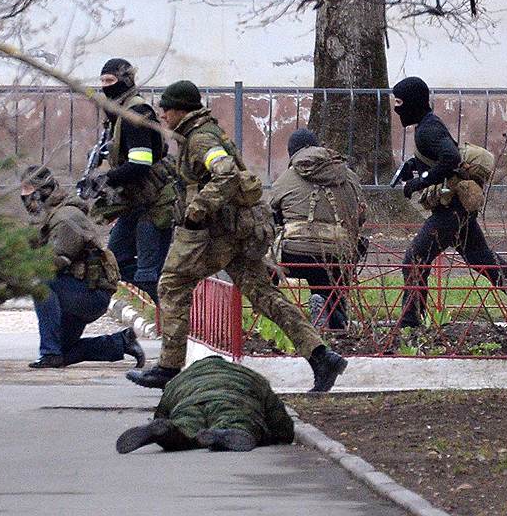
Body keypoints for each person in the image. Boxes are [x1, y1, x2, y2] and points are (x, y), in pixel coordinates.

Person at [125, 81, 347, 392]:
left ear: (181, 110)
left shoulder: (201, 138)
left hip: (219, 233)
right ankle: (321, 356)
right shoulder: (202, 132)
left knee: (172, 284)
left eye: (166, 108)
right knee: (265, 296)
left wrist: (198, 208)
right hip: (239, 230)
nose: (162, 113)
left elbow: (226, 173)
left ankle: (168, 367)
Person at [391, 77, 507, 335]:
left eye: (399, 102)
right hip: (458, 209)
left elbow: (451, 157)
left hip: (451, 211)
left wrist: (418, 183)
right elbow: (441, 157)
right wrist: (415, 166)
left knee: (414, 259)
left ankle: (410, 325)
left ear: (411, 102)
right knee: (484, 261)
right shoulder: (427, 125)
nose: (396, 108)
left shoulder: (427, 130)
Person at [20, 165, 145, 369]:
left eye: (29, 194)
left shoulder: (66, 217)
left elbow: (57, 260)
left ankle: (49, 353)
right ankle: (122, 342)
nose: (26, 201)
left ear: (43, 192)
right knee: (65, 351)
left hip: (90, 293)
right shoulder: (50, 216)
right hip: (78, 288)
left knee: (40, 284)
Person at [94, 58, 175, 305]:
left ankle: (183, 320)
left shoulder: (135, 113)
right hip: (136, 202)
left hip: (155, 204)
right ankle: (174, 302)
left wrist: (106, 179)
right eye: (103, 81)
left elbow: (140, 163)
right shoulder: (119, 114)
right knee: (116, 260)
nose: (106, 87)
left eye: (111, 81)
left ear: (126, 81)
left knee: (150, 276)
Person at [269, 128, 366, 330]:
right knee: (331, 264)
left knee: (277, 255)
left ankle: (272, 309)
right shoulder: (348, 175)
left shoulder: (286, 178)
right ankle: (332, 315)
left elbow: (270, 215)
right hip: (337, 256)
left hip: (294, 255)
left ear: (292, 153)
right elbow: (361, 215)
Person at [116, 356, 294, 453]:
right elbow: (279, 420)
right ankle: (225, 433)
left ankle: (170, 433)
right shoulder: (249, 375)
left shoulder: (179, 380)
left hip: (188, 402)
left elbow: (162, 413)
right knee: (239, 421)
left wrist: (161, 424)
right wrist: (282, 435)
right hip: (233, 398)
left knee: (184, 425)